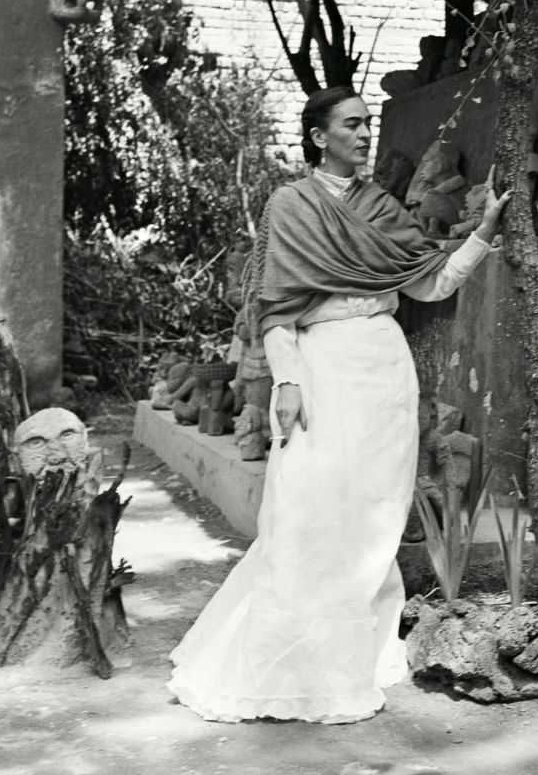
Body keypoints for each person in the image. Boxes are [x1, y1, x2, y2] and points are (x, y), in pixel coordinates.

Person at [167, 85, 510, 724]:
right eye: (350, 124)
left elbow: (431, 285)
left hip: (383, 371)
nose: (362, 134)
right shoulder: (290, 205)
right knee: (307, 512)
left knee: (374, 514)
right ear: (319, 135)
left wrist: (483, 234)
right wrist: (288, 383)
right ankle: (289, 663)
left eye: (366, 124)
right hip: (321, 369)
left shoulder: (382, 207)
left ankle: (358, 652)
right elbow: (275, 309)